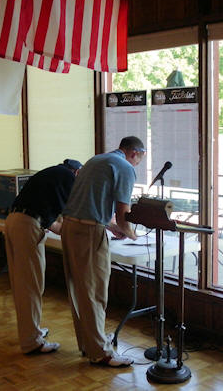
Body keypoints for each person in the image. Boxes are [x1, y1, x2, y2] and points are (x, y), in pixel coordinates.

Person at [60, 136, 145, 367]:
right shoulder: (125, 167)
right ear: (134, 153)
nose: (137, 165)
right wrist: (133, 234)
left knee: (79, 291)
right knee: (95, 291)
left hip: (70, 226)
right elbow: (123, 215)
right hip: (88, 232)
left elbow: (90, 203)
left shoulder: (96, 160)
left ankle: (89, 343)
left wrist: (112, 227)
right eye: (139, 160)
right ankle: (101, 352)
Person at [4, 159, 83, 354]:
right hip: (28, 225)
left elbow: (53, 223)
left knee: (23, 283)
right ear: (77, 172)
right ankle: (32, 342)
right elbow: (75, 213)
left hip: (15, 221)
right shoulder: (68, 177)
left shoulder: (51, 174)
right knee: (31, 285)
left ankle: (32, 331)